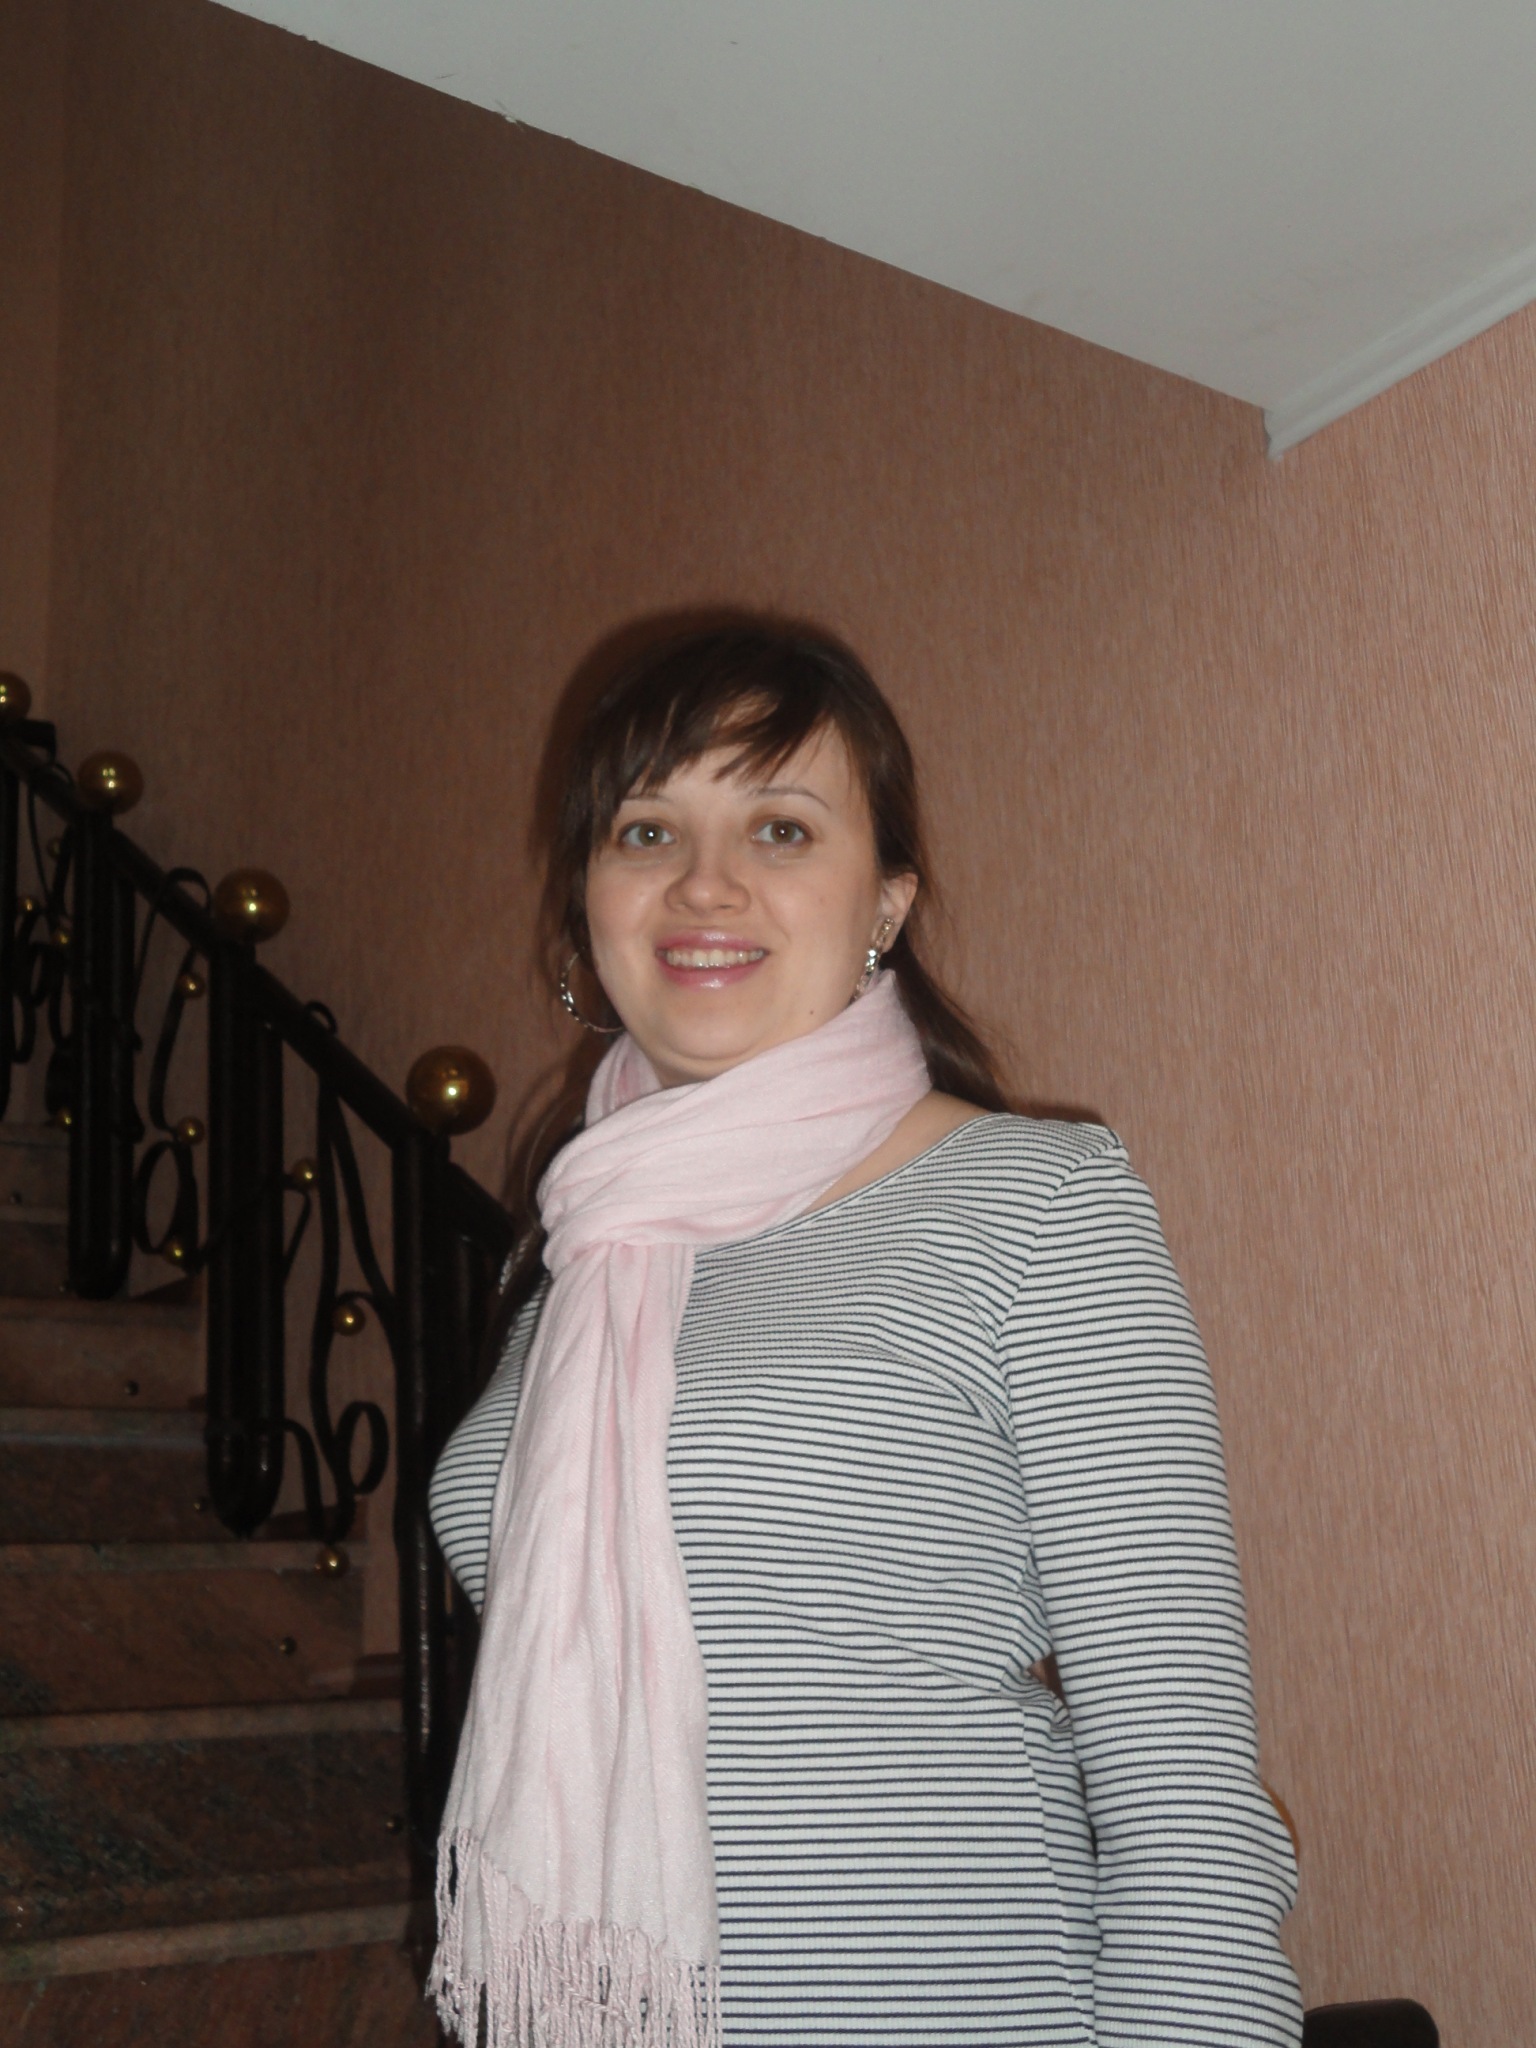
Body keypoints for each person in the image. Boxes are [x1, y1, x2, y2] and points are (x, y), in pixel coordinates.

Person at [427, 623, 1302, 2048]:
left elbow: (1187, 1806)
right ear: (590, 898)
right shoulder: (582, 1258)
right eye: (648, 829)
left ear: (886, 903)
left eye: (780, 827)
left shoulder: (1035, 1202)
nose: (704, 881)